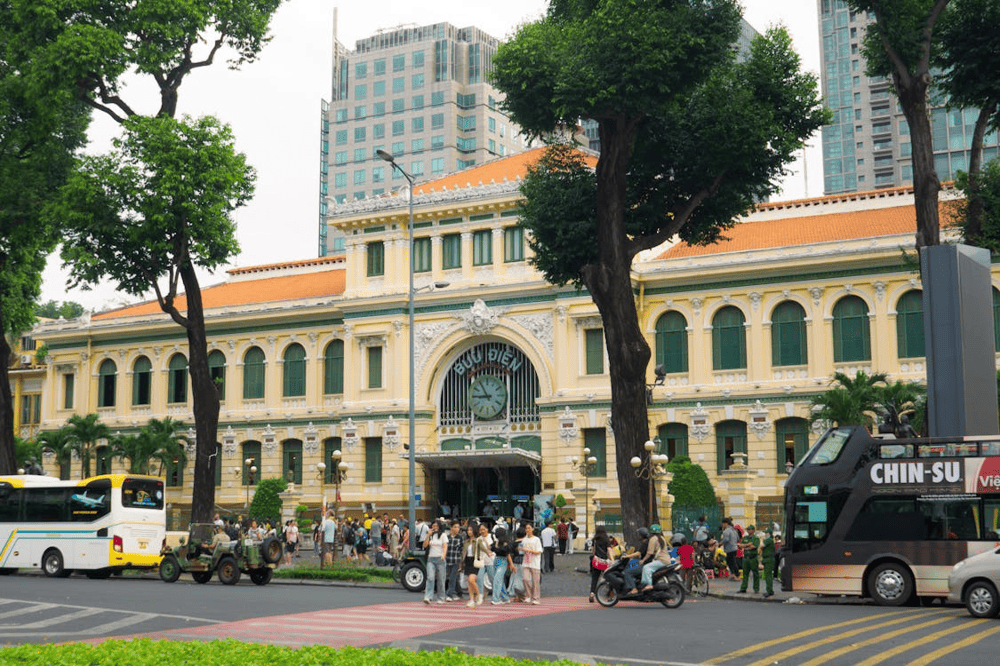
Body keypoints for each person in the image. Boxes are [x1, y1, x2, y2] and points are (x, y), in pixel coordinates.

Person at [638, 524, 671, 593]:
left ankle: (648, 584)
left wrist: (643, 560)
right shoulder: (662, 538)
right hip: (667, 560)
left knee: (646, 568)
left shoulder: (653, 539)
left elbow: (649, 553)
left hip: (661, 560)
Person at [423, 520, 448, 604]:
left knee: (441, 579)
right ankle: (428, 597)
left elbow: (445, 546)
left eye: (436, 526)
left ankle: (441, 597)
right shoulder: (430, 535)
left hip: (440, 558)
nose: (435, 528)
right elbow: (425, 545)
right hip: (431, 558)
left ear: (439, 527)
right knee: (430, 578)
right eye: (433, 526)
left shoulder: (443, 535)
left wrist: (443, 555)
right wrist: (428, 535)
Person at [622, 527, 650, 595]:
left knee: (627, 572)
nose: (638, 536)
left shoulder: (645, 543)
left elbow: (638, 553)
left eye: (639, 534)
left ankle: (633, 588)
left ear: (641, 535)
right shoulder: (648, 542)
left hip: (645, 564)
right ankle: (634, 581)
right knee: (631, 562)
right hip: (645, 562)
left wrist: (627, 556)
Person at [520, 523, 542, 604]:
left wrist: (530, 551)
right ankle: (528, 595)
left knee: (536, 581)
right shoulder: (524, 539)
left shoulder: (536, 539)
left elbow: (539, 551)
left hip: (535, 562)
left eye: (529, 528)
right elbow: (521, 549)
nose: (527, 530)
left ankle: (536, 598)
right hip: (525, 562)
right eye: (526, 528)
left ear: (532, 529)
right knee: (525, 579)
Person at [490, 527, 513, 604]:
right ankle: (505, 598)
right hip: (496, 560)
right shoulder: (496, 542)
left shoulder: (506, 543)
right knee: (500, 580)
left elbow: (508, 554)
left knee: (497, 579)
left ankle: (496, 598)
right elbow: (490, 548)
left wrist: (511, 564)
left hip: (503, 561)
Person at [588, 525, 610, 603]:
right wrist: (611, 559)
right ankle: (608, 593)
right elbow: (608, 550)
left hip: (596, 561)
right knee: (608, 577)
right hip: (604, 561)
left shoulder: (595, 539)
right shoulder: (606, 539)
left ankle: (592, 594)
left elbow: (593, 550)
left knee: (594, 578)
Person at [445, 520, 465, 602]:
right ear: (451, 528)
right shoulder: (447, 537)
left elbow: (462, 551)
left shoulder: (460, 538)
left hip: (456, 561)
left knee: (452, 578)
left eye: (458, 527)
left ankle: (449, 595)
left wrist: (461, 563)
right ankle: (460, 593)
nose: (457, 529)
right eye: (455, 527)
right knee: (453, 578)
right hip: (448, 560)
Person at [474, 523, 495, 605]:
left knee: (492, 579)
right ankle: (481, 595)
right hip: (482, 562)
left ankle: (496, 595)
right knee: (479, 578)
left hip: (491, 561)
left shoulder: (492, 536)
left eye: (484, 529)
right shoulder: (478, 539)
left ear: (487, 529)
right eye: (480, 530)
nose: (482, 531)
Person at [738, 525, 761, 594]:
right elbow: (740, 545)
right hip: (746, 558)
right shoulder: (745, 538)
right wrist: (748, 545)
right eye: (747, 529)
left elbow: (754, 546)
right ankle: (743, 588)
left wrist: (746, 547)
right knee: (745, 573)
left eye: (750, 529)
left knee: (755, 573)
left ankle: (756, 588)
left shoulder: (756, 538)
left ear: (753, 530)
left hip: (753, 558)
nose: (748, 531)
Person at [464, 525, 482, 608]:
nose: (469, 532)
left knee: (472, 580)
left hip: (474, 561)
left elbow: (483, 548)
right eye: (468, 530)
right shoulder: (466, 541)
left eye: (471, 530)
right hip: (467, 561)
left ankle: (478, 595)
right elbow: (463, 553)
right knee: (469, 583)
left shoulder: (478, 540)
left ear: (474, 531)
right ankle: (471, 599)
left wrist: (489, 553)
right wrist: (461, 564)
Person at [760, 527, 776, 598]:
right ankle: (769, 590)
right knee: (767, 576)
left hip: (769, 559)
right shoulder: (769, 540)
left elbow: (761, 545)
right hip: (767, 559)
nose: (765, 534)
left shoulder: (769, 540)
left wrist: (761, 540)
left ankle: (769, 591)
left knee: (768, 576)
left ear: (769, 534)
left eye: (766, 533)